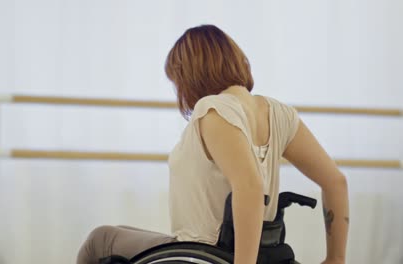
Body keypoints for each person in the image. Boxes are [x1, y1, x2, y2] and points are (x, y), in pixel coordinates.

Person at [77, 24, 349, 264]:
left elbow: (250, 187)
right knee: (122, 232)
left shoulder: (213, 110)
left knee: (99, 241)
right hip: (259, 249)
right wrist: (336, 258)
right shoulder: (280, 114)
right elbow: (335, 182)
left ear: (189, 74)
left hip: (204, 251)